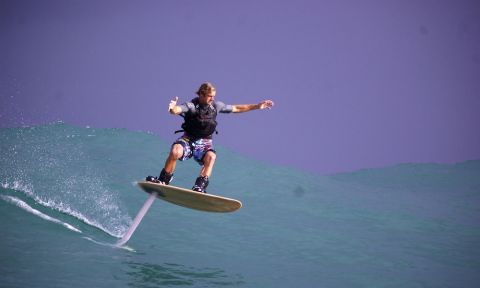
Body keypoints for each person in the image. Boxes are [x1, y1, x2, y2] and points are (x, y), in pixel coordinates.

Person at [146, 82, 274, 193]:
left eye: (213, 96)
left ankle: (199, 186)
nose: (212, 99)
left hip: (205, 142)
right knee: (175, 151)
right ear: (201, 94)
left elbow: (236, 108)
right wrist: (172, 108)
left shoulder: (215, 106)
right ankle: (164, 179)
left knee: (211, 156)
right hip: (188, 139)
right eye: (209, 96)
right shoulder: (191, 106)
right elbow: (177, 109)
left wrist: (257, 106)